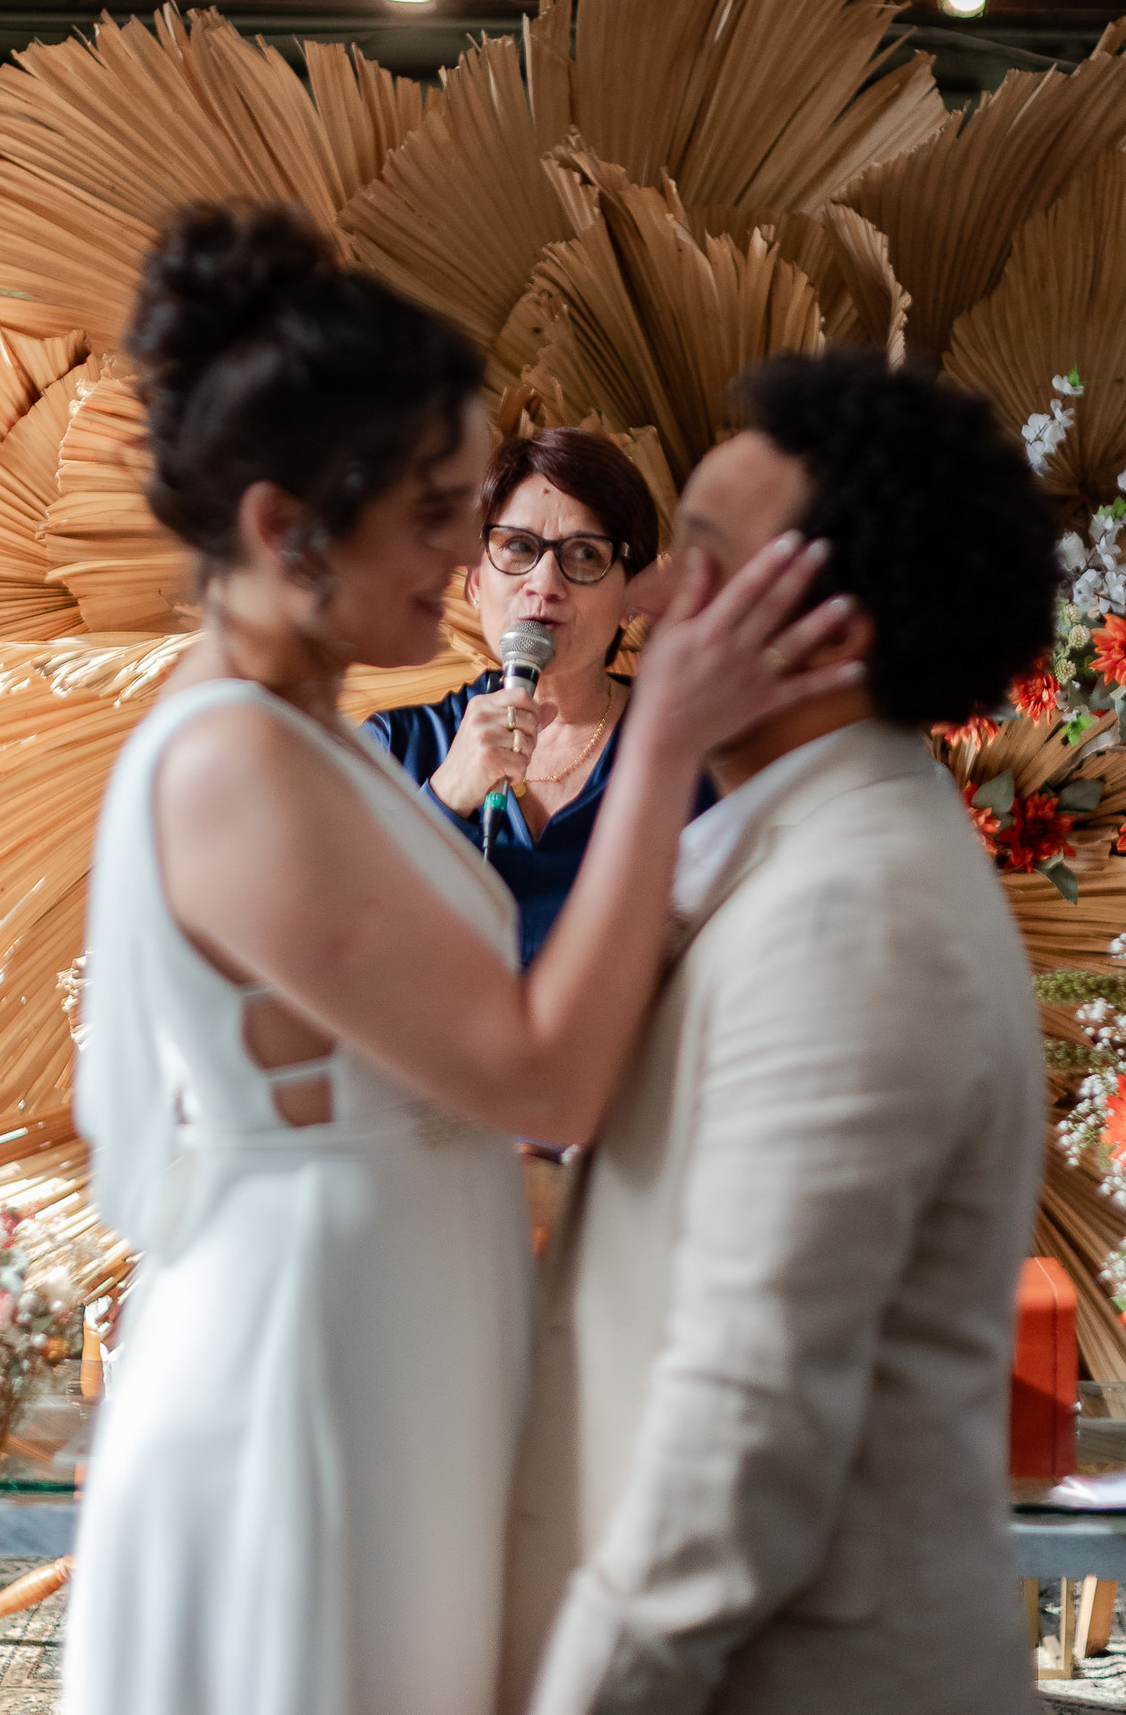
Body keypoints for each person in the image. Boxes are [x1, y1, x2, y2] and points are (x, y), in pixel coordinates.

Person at [62, 206, 858, 1715]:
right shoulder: (237, 764)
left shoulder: (300, 734)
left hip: (400, 1330)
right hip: (307, 1362)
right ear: (286, 527)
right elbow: (541, 1074)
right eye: (443, 515)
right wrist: (670, 738)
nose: (473, 561)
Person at [499, 351, 1058, 1715]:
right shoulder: (788, 851)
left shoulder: (856, 911)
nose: (647, 600)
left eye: (700, 561)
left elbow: (743, 1431)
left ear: (828, 632)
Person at [366, 430, 715, 964]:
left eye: (585, 554)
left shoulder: (692, 759)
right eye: (519, 547)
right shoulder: (389, 748)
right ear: (474, 580)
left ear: (633, 597)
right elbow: (337, 946)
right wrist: (445, 798)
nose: (545, 582)